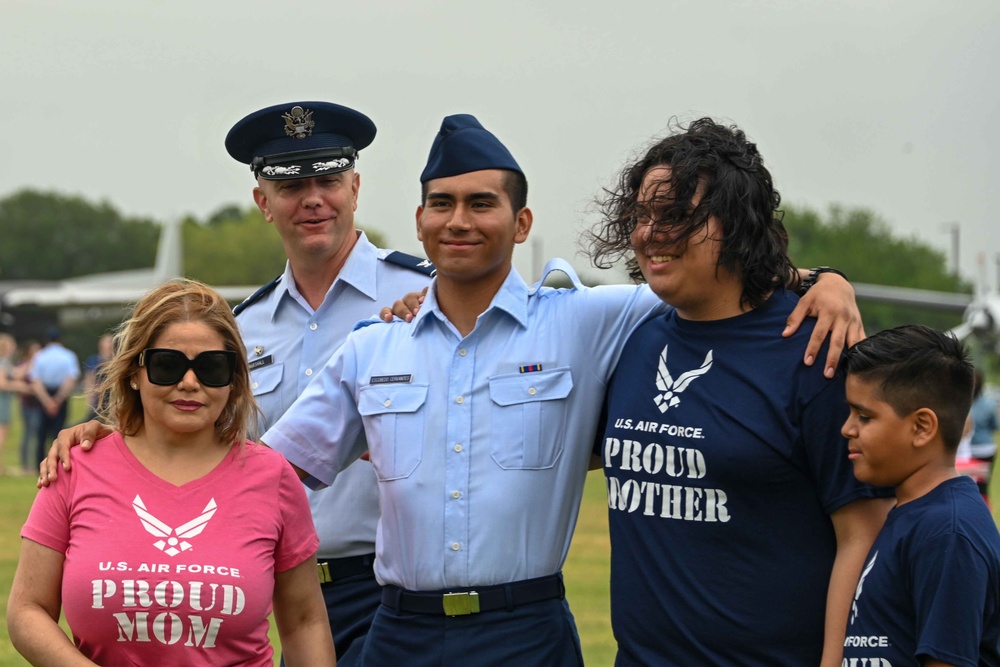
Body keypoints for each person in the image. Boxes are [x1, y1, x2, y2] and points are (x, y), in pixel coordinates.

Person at [261, 114, 864, 666]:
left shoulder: (587, 322)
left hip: (527, 633)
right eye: (441, 204)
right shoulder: (375, 347)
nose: (459, 220)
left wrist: (822, 279)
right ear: (420, 221)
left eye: (481, 203)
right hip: (398, 633)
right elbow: (270, 476)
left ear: (522, 223)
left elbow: (713, 273)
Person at [42, 100, 435, 664]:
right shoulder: (242, 329)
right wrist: (98, 436)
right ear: (264, 203)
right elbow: (202, 438)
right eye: (292, 186)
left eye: (327, 179)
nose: (313, 199)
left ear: (355, 187)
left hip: (396, 593)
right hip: (266, 589)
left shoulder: (425, 302)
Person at [587, 118, 893, 666]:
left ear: (736, 223)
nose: (650, 233)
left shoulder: (812, 350)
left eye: (677, 216)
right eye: (642, 215)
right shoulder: (632, 339)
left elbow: (864, 533)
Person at [7, 280, 334, 666]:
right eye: (167, 365)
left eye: (212, 367)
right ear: (134, 372)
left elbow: (303, 622)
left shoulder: (272, 476)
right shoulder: (76, 466)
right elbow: (27, 610)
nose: (190, 382)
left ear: (235, 379)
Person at [841, 324, 1000, 666]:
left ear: (921, 427)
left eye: (864, 416)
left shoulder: (948, 532)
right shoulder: (916, 515)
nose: (847, 428)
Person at [30, 328, 80, 465]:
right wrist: (58, 399)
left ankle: (39, 463)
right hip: (60, 394)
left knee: (42, 433)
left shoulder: (40, 356)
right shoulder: (69, 355)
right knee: (60, 431)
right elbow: (70, 378)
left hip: (44, 394)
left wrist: (46, 400)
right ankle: (59, 461)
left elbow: (36, 380)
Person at [15, 340, 43, 474]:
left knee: (37, 434)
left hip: (39, 405)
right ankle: (25, 464)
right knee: (28, 434)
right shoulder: (25, 365)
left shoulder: (42, 366)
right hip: (28, 405)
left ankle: (34, 463)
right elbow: (18, 380)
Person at [969, 369, 998, 498]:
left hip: (968, 450)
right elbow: (995, 426)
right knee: (984, 486)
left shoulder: (962, 404)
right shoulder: (989, 403)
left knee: (970, 486)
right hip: (987, 449)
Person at [82, 334, 113, 423]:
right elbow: (89, 380)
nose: (110, 344)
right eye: (108, 341)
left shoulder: (116, 361)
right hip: (98, 399)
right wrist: (90, 400)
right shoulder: (94, 361)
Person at [0, 333, 17, 474]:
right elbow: (2, 383)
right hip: (2, 401)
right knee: (2, 434)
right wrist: (22, 387)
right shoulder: (3, 362)